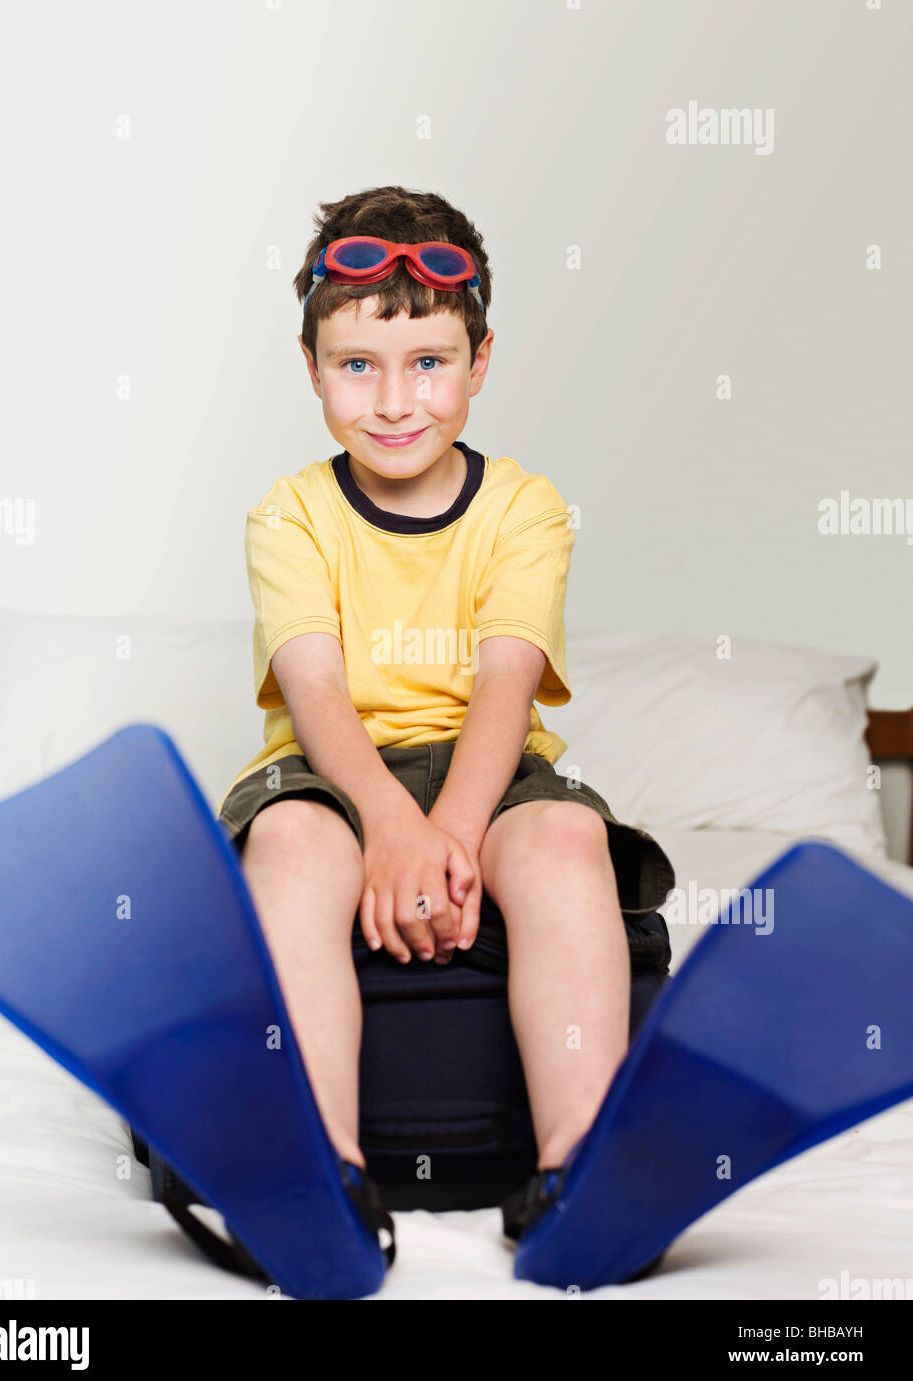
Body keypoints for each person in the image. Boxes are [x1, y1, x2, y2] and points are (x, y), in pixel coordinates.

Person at [215, 184, 676, 1243]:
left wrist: (451, 837)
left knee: (567, 839)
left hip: (491, 767)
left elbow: (505, 688)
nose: (393, 402)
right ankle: (317, 1173)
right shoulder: (289, 515)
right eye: (357, 367)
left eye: (427, 364)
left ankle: (580, 1171)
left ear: (478, 362)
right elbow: (317, 691)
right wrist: (387, 824)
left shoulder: (524, 507)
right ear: (312, 368)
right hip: (332, 772)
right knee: (287, 846)